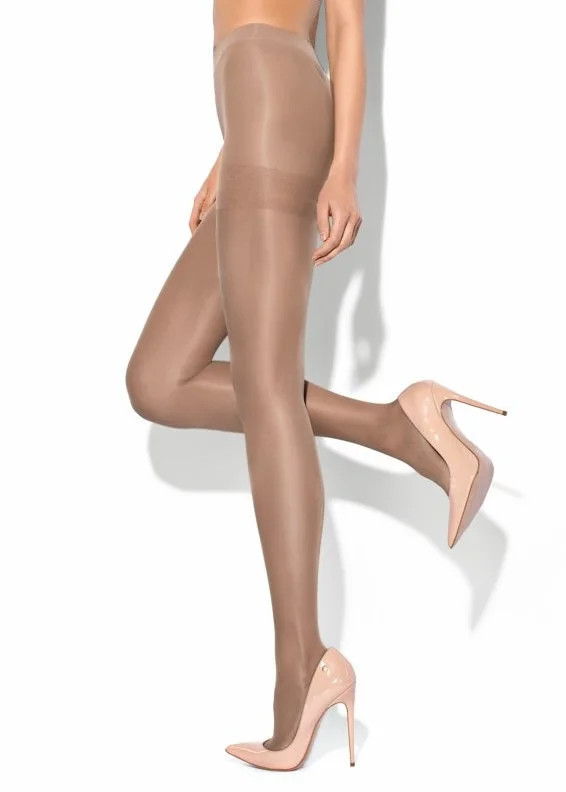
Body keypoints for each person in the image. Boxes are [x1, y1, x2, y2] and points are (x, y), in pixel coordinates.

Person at [125, 0, 507, 771]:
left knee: (267, 392)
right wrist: (232, 149)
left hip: (275, 100)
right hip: (253, 116)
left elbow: (347, 31)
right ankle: (399, 428)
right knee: (158, 380)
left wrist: (344, 171)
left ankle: (301, 669)